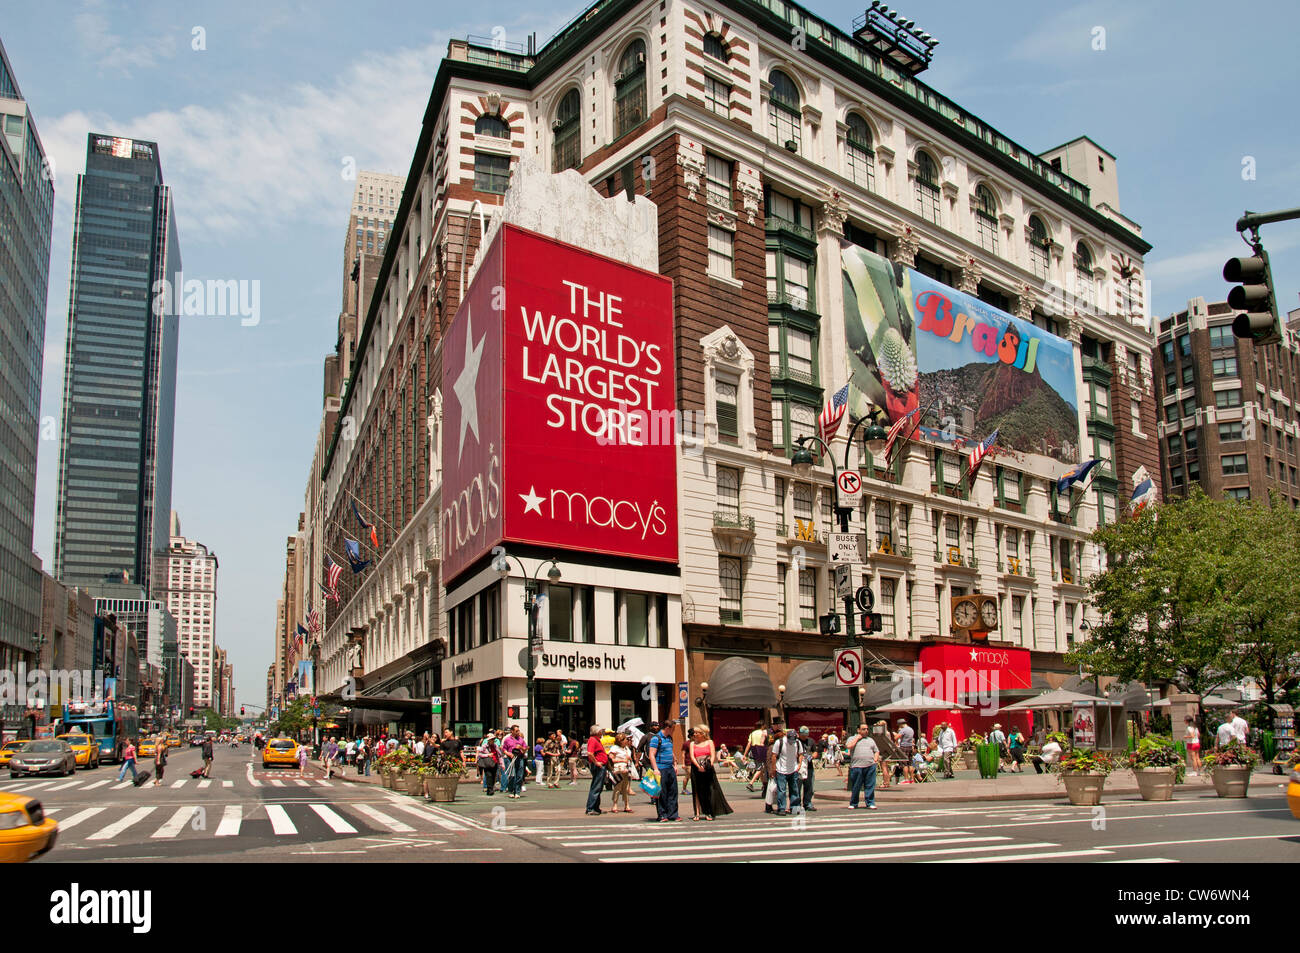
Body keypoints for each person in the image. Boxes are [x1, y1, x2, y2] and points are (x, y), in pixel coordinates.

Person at [685, 725, 732, 820]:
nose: (695, 734)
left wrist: (708, 765)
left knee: (708, 790)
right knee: (697, 790)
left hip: (708, 768)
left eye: (697, 732)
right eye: (694, 732)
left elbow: (712, 754)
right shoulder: (692, 744)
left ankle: (708, 812)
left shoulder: (709, 742)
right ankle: (697, 813)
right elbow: (692, 756)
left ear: (702, 734)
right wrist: (698, 766)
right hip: (696, 768)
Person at [648, 720, 680, 821]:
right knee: (662, 793)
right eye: (673, 729)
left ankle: (673, 814)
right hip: (661, 768)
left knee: (673, 791)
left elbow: (670, 751)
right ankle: (662, 814)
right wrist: (656, 769)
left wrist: (675, 764)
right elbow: (651, 755)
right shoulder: (656, 739)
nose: (674, 731)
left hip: (670, 767)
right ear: (668, 728)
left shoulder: (670, 738)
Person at [770, 725, 804, 816]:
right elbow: (774, 755)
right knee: (782, 790)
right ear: (787, 737)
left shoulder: (797, 743)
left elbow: (801, 754)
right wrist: (774, 768)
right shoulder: (779, 742)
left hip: (793, 769)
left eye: (793, 740)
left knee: (795, 790)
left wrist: (799, 764)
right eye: (790, 740)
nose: (791, 742)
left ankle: (794, 807)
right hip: (781, 769)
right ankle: (781, 808)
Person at [845, 724, 881, 809]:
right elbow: (848, 746)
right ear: (858, 730)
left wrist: (875, 760)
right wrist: (857, 738)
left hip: (870, 765)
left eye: (867, 729)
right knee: (856, 786)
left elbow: (876, 751)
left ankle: (870, 802)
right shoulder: (852, 738)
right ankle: (854, 803)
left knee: (870, 785)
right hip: (857, 766)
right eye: (864, 729)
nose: (866, 731)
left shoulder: (870, 740)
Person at [607, 731, 636, 813]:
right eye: (626, 739)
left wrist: (629, 759)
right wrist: (622, 760)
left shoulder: (626, 748)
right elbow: (611, 759)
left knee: (626, 787)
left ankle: (627, 805)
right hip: (618, 769)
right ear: (621, 740)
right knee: (618, 787)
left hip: (626, 769)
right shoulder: (615, 748)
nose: (627, 741)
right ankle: (615, 804)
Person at [585, 725, 609, 815]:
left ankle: (596, 807)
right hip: (599, 766)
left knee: (598, 787)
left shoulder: (597, 740)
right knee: (596, 786)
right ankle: (590, 808)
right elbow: (590, 753)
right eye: (600, 731)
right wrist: (596, 762)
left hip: (601, 765)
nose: (602, 732)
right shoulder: (593, 740)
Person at [798, 726, 820, 811]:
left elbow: (815, 751)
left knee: (809, 786)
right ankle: (797, 804)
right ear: (799, 733)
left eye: (806, 734)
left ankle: (807, 803)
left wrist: (812, 756)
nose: (805, 736)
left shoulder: (811, 741)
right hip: (799, 766)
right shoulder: (796, 741)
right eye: (803, 734)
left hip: (809, 766)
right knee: (798, 786)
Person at [502, 725, 528, 798]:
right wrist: (508, 754)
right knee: (512, 775)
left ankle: (517, 792)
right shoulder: (507, 739)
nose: (518, 732)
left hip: (519, 758)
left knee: (519, 775)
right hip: (511, 758)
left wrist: (521, 747)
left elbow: (525, 748)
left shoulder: (521, 740)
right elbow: (504, 749)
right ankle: (511, 790)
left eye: (518, 731)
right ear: (512, 731)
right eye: (516, 731)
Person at [743, 721, 768, 793]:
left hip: (754, 751)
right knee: (760, 768)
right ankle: (751, 783)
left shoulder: (752, 733)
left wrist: (745, 754)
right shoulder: (763, 732)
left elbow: (749, 744)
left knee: (759, 768)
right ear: (763, 726)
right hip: (761, 750)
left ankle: (764, 784)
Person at [896, 719, 915, 784]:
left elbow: (896, 737)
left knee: (904, 763)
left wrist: (895, 734)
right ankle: (912, 779)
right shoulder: (911, 729)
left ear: (901, 724)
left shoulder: (903, 730)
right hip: (910, 746)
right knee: (910, 763)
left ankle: (906, 779)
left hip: (904, 747)